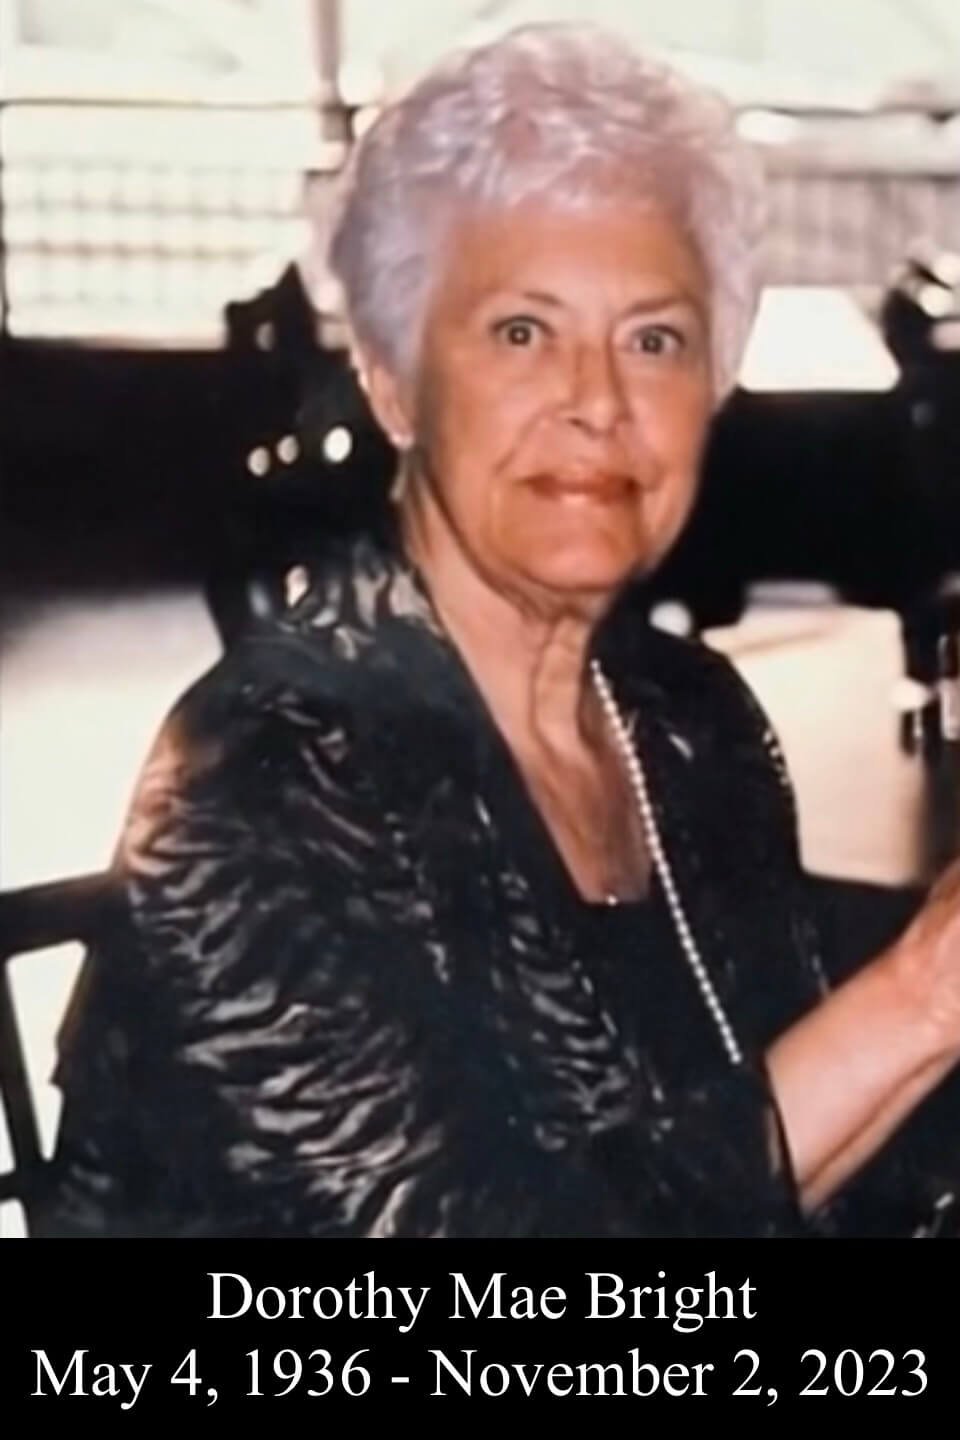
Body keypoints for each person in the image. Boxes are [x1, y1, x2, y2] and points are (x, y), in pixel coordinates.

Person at [45, 23, 960, 1238]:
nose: (598, 403)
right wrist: (923, 995)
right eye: (523, 332)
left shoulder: (690, 721)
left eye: (655, 339)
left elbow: (806, 1165)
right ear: (392, 380)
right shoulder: (259, 776)